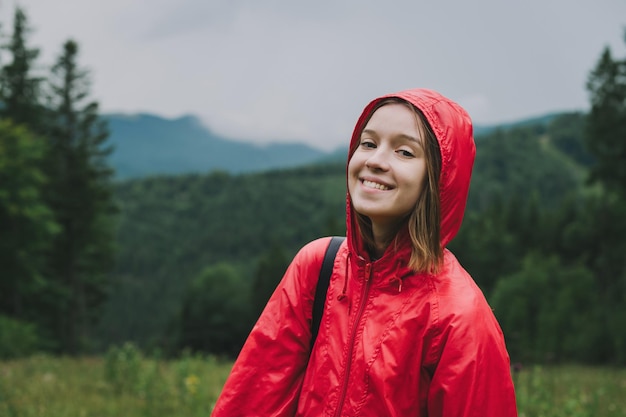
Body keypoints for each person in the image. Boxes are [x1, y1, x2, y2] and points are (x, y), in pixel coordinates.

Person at [211, 88, 518, 416]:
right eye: (368, 143)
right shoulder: (318, 267)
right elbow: (253, 400)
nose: (375, 160)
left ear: (440, 179)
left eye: (404, 152)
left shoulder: (458, 317)